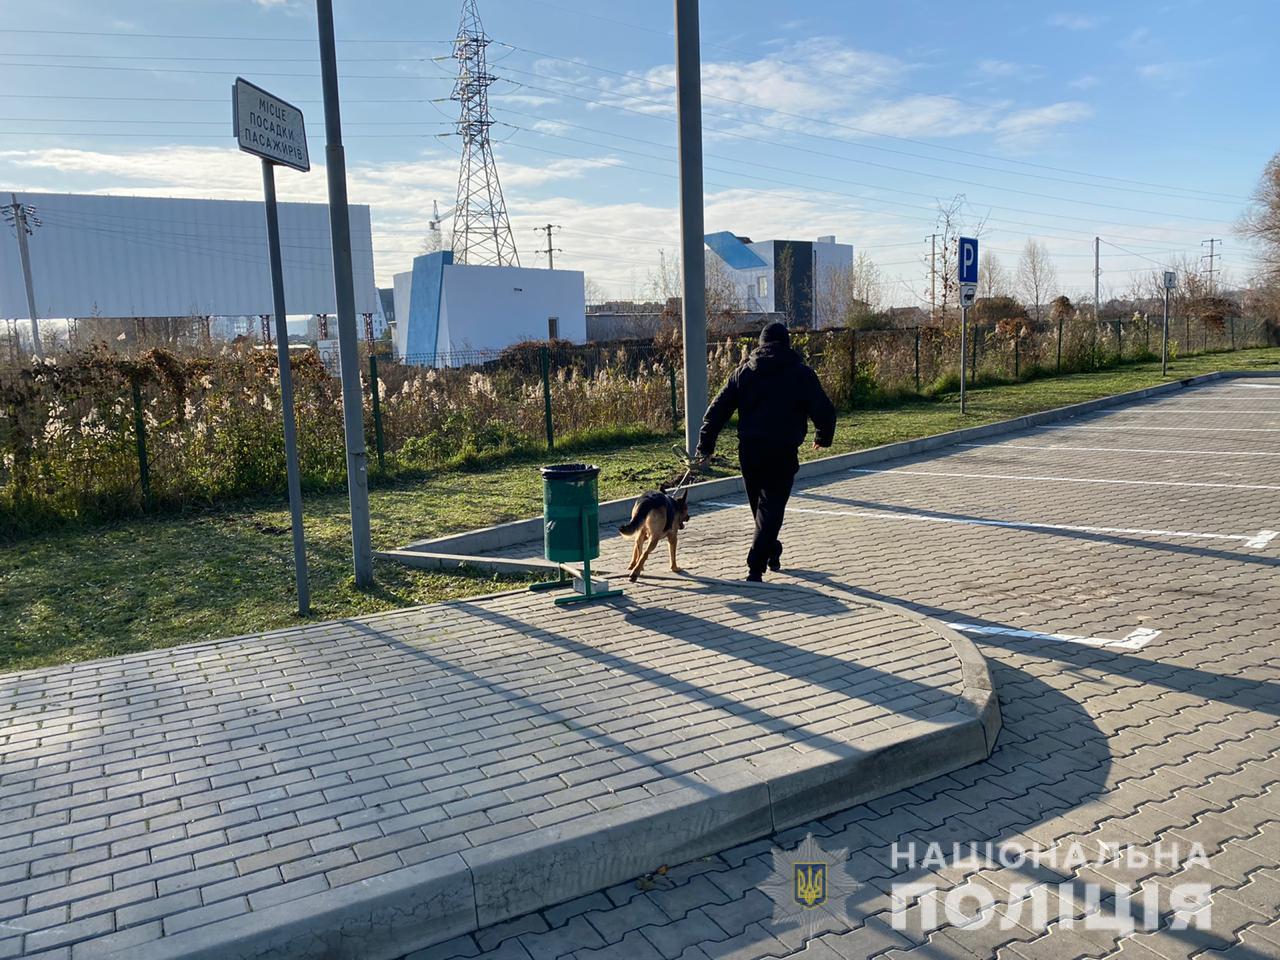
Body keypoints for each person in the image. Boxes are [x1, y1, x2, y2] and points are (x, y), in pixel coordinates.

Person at [694, 322, 836, 581]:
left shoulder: (744, 373)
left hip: (750, 452)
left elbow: (717, 410)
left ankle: (771, 550)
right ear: (787, 344)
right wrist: (822, 436)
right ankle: (755, 566)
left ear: (760, 344)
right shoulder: (801, 374)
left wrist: (705, 445)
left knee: (762, 509)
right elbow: (823, 408)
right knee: (770, 510)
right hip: (782, 451)